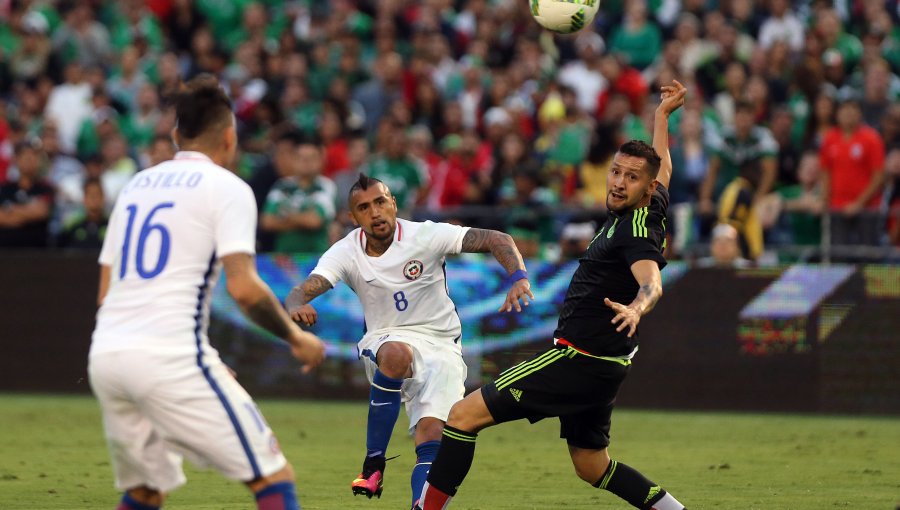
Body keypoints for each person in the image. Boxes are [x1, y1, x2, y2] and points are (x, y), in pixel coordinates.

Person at [416, 80, 690, 510]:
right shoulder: (650, 203)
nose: (618, 183)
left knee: (462, 417)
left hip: (579, 360)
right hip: (605, 366)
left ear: (645, 188)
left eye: (631, 177)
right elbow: (664, 169)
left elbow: (651, 281)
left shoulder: (635, 234)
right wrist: (661, 117)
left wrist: (639, 306)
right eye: (616, 171)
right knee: (591, 465)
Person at [88, 75, 325, 510]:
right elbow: (246, 290)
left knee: (144, 491)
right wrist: (297, 338)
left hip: (107, 355)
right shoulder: (229, 188)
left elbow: (106, 292)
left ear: (177, 135)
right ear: (230, 138)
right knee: (274, 477)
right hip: (169, 358)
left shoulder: (134, 187)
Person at [284, 173, 534, 508]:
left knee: (432, 437)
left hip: (442, 344)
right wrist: (296, 303)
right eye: (364, 207)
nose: (375, 212)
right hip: (386, 338)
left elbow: (495, 238)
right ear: (353, 217)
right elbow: (306, 286)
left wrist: (518, 277)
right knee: (398, 354)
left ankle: (420, 504)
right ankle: (373, 464)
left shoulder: (425, 235)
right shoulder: (346, 251)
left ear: (393, 204)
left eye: (380, 202)